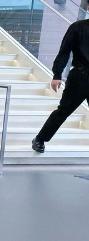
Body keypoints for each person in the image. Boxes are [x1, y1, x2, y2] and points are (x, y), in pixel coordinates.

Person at [32, 16, 89, 153]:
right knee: (64, 110)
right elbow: (64, 50)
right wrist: (57, 74)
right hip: (80, 76)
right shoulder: (78, 27)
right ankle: (40, 139)